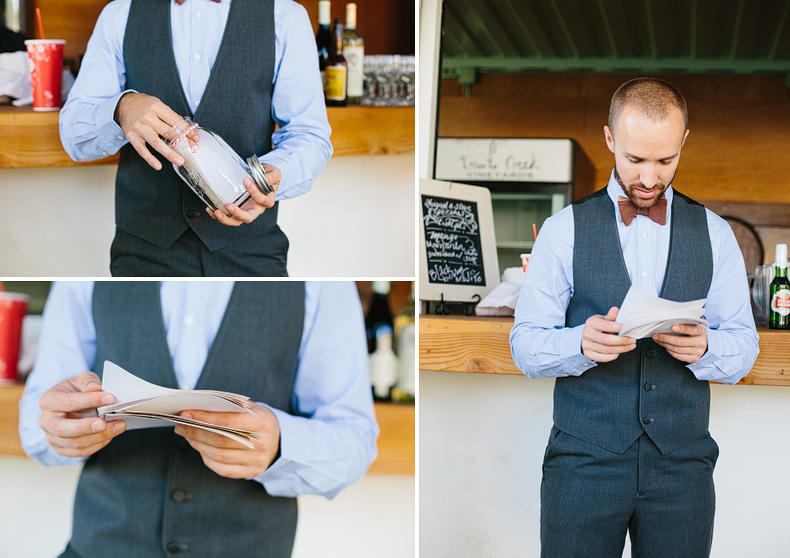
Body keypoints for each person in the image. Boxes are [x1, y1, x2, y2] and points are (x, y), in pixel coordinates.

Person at [509, 77, 759, 558]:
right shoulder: (563, 231)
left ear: (683, 142)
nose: (648, 177)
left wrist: (707, 348)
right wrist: (578, 343)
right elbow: (525, 344)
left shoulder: (716, 233)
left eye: (665, 161)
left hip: (682, 467)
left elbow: (744, 347)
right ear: (609, 140)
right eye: (634, 159)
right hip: (583, 463)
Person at [19, 281, 378, 558]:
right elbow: (35, 426)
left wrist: (280, 443)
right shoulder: (83, 275)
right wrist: (59, 423)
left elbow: (355, 439)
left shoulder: (324, 283)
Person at [59, 0, 333, 276]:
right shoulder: (121, 13)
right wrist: (121, 109)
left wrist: (274, 176)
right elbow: (73, 135)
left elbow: (309, 134)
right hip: (143, 254)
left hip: (251, 251)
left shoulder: (286, 16)